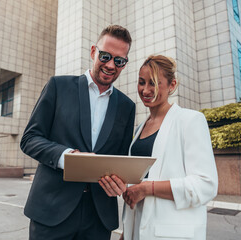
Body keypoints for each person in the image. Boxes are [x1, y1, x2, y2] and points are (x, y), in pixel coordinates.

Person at [20, 25, 135, 240]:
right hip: (51, 211)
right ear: (93, 51)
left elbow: (121, 158)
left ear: (124, 64)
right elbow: (29, 139)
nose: (111, 65)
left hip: (99, 217)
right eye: (105, 56)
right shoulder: (58, 86)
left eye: (119, 61)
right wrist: (67, 157)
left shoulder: (127, 106)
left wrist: (120, 181)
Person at [100, 55, 218, 240]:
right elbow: (136, 185)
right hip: (138, 230)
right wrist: (127, 232)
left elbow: (206, 185)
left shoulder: (190, 120)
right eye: (141, 82)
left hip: (172, 233)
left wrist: (148, 188)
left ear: (172, 85)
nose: (146, 90)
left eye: (154, 83)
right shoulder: (140, 128)